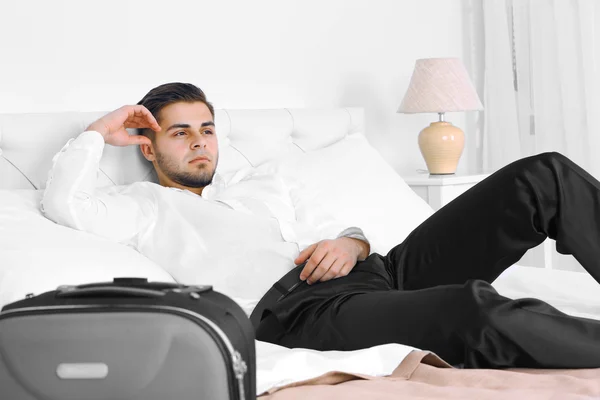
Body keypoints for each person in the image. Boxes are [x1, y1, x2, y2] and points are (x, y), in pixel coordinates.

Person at [42, 82, 600, 370]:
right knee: (470, 308)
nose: (198, 141)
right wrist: (98, 132)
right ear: (147, 145)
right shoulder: (143, 206)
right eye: (179, 132)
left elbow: (344, 225)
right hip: (305, 312)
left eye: (207, 129)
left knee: (542, 175)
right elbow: (64, 204)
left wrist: (349, 242)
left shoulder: (263, 183)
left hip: (382, 270)